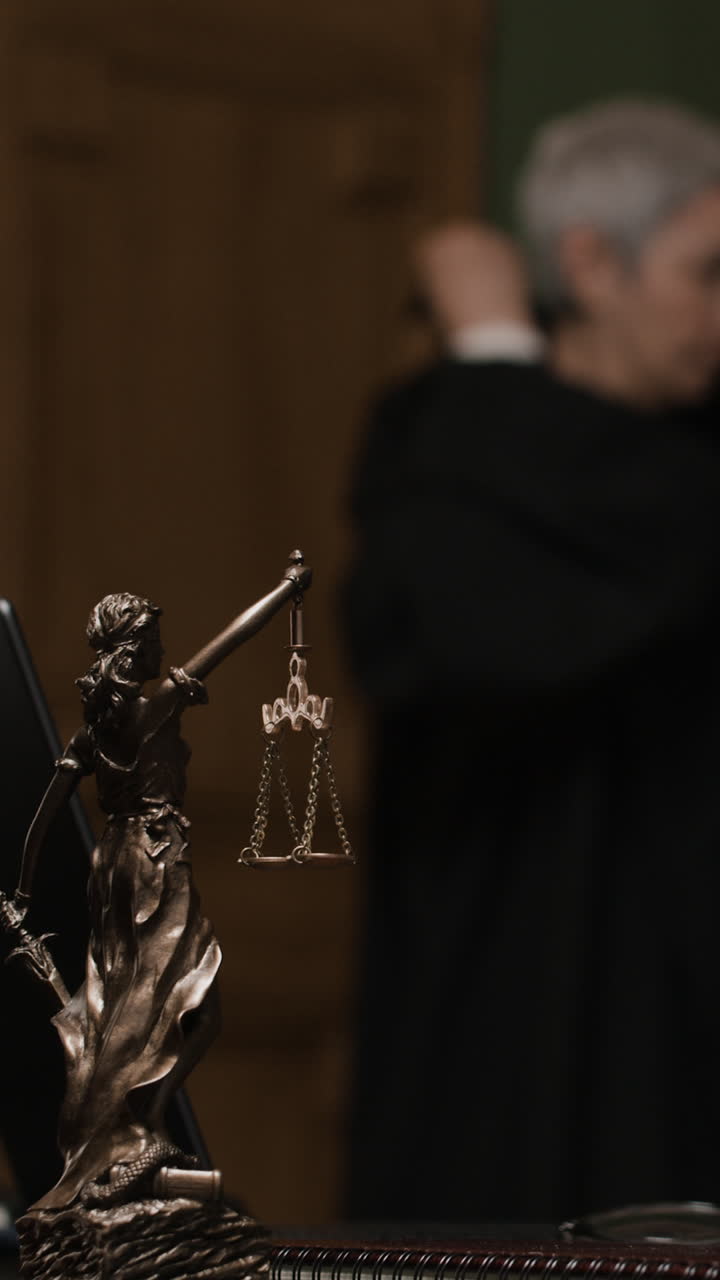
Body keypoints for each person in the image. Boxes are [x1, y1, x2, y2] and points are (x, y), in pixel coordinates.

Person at [341, 100, 720, 1224]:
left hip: (672, 1005)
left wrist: (498, 356)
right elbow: (455, 633)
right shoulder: (436, 435)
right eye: (708, 273)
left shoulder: (680, 460)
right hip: (477, 974)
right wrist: (499, 368)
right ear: (592, 264)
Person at [9, 558, 310, 1210]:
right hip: (156, 863)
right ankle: (137, 1126)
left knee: (129, 1005)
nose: (164, 649)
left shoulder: (94, 730)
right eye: (153, 639)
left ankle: (128, 1130)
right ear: (133, 649)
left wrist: (23, 888)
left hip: (114, 866)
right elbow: (231, 639)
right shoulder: (154, 708)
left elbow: (44, 815)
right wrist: (286, 590)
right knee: (185, 1012)